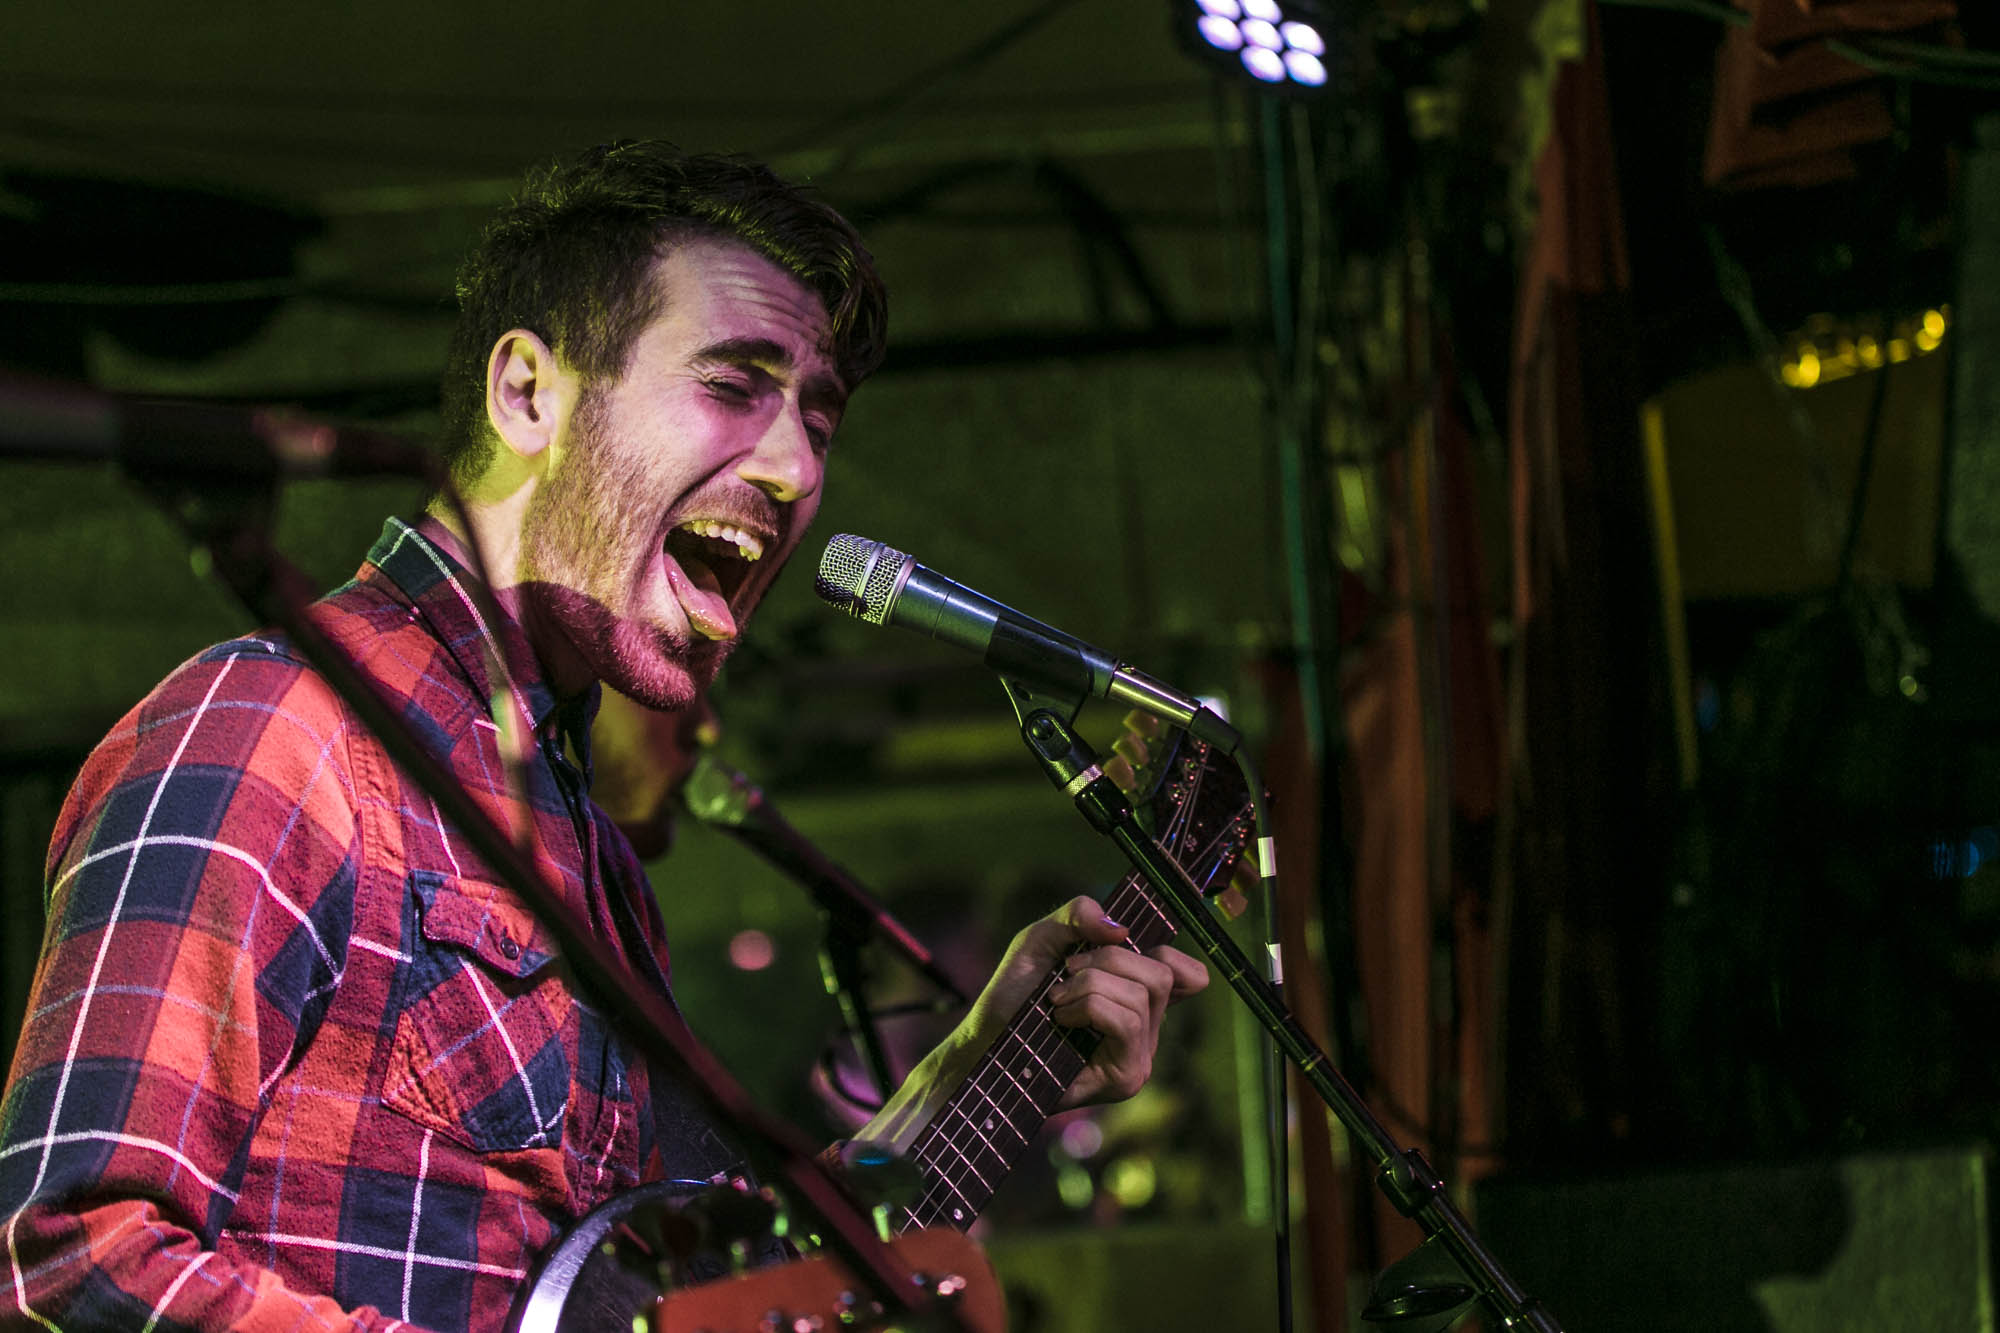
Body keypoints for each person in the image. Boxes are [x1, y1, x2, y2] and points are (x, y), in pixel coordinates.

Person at [0, 142, 1208, 1331]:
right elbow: (70, 1249)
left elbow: (677, 1301)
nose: (792, 468)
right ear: (527, 391)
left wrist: (967, 1073)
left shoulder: (583, 845)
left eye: (819, 425)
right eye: (735, 386)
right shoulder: (277, 724)